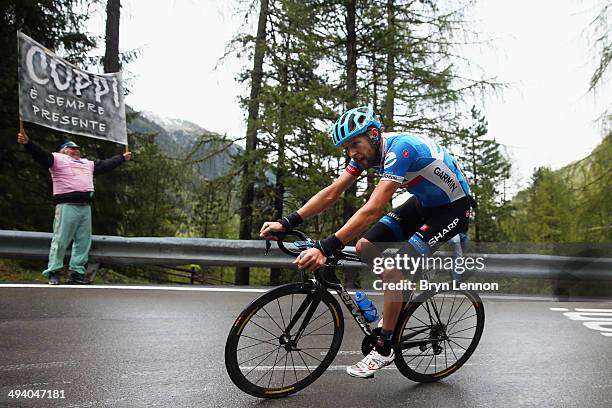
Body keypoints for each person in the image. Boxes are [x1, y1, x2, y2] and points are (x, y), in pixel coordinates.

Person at [259, 106, 475, 379]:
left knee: (394, 268)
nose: (352, 153)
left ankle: (385, 348)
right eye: (346, 148)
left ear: (374, 135)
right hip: (423, 204)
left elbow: (373, 209)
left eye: (355, 144)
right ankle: (398, 300)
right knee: (364, 247)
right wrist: (288, 222)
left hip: (453, 209)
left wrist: (326, 247)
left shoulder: (400, 149)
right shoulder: (367, 154)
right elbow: (332, 192)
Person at [17, 130, 132, 285]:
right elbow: (40, 154)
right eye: (72, 148)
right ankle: (53, 272)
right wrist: (28, 144)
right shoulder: (57, 159)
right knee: (61, 240)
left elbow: (105, 165)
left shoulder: (87, 163)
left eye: (77, 148)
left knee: (83, 242)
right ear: (63, 151)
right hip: (66, 205)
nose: (76, 150)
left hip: (85, 207)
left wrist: (122, 158)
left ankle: (76, 272)